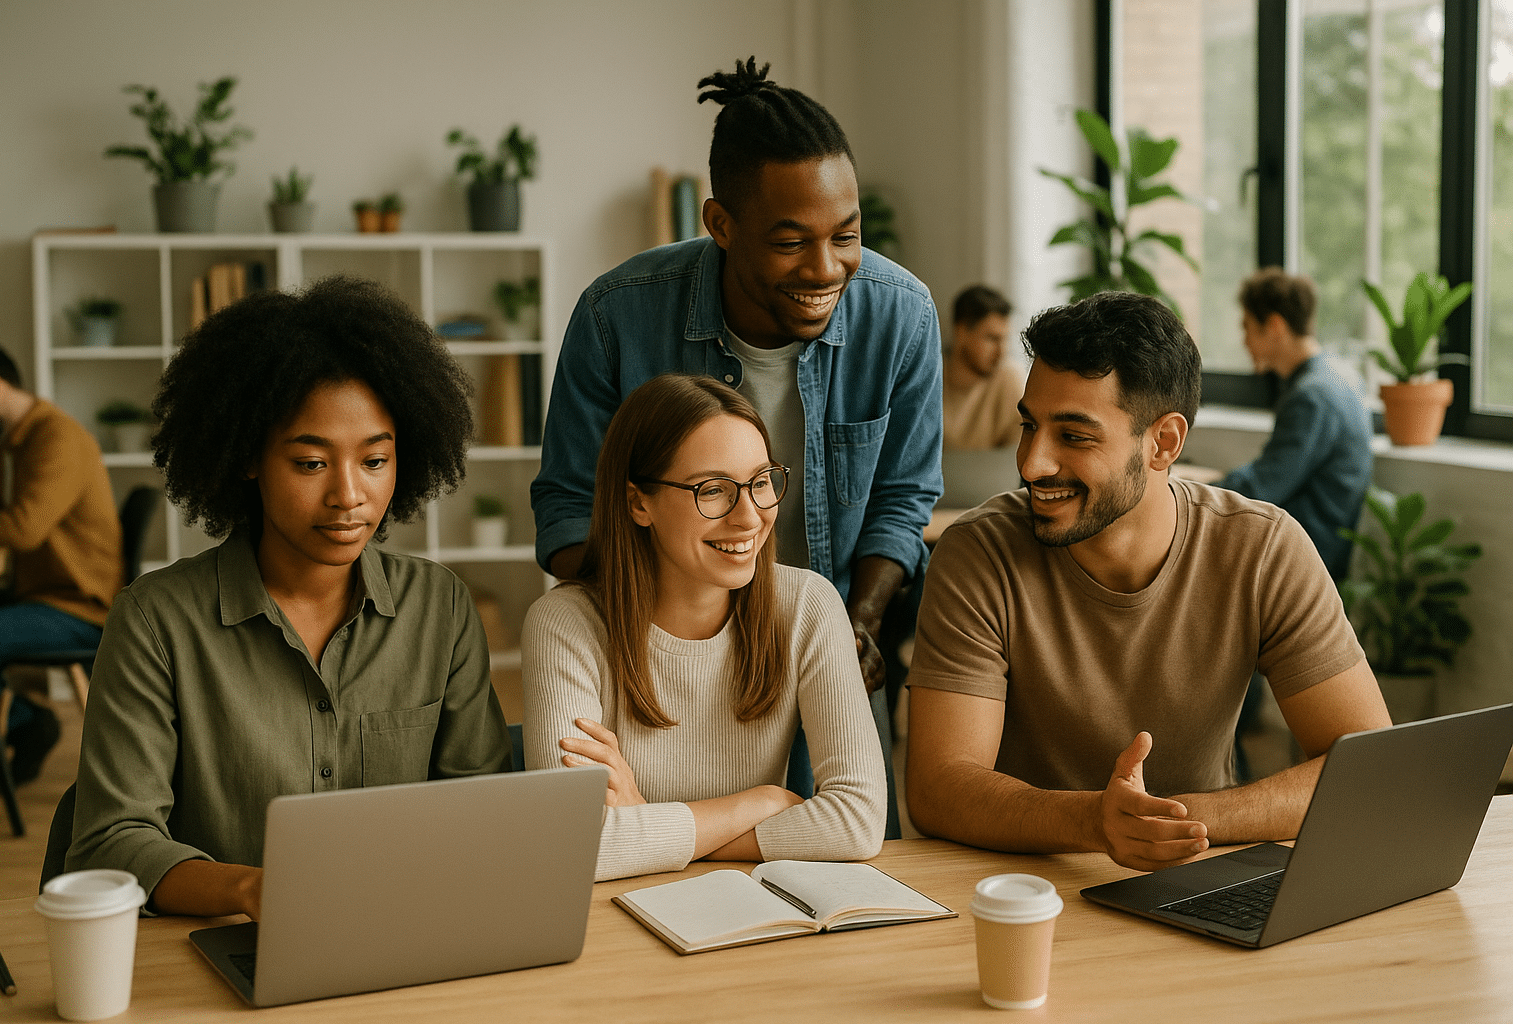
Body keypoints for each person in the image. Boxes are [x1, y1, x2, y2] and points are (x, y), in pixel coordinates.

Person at [530, 58, 942, 834]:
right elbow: (567, 505)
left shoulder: (902, 315)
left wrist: (857, 622)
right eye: (791, 243)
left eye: (846, 236)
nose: (826, 269)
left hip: (830, 644)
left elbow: (904, 496)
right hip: (652, 670)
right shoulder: (618, 315)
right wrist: (668, 629)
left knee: (841, 890)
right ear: (721, 225)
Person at [67, 277, 513, 919]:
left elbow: (484, 806)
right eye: (311, 463)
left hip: (408, 933)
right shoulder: (156, 623)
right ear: (248, 457)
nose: (348, 496)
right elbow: (110, 842)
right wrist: (252, 890)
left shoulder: (438, 607)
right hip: (221, 948)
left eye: (375, 461)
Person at [903, 291, 1391, 872]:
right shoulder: (977, 554)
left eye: (1074, 436)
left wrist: (1163, 821)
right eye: (1029, 426)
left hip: (1197, 875)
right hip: (1021, 888)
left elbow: (1367, 766)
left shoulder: (1263, 549)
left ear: (1163, 443)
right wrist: (1094, 822)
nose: (1033, 463)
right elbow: (938, 785)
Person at [523, 374, 885, 882]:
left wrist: (646, 821)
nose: (749, 518)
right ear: (638, 503)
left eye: (760, 483)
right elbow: (571, 842)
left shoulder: (809, 605)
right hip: (619, 930)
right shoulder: (566, 626)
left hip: (755, 917)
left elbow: (859, 822)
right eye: (712, 490)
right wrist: (760, 804)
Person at [0, 341, 121, 785]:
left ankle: (27, 723)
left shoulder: (56, 438)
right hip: (40, 594)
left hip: (76, 606)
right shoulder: (16, 442)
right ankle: (20, 721)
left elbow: (23, 527)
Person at [1218, 268, 1372, 583]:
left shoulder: (1312, 397)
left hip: (1302, 564)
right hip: (1324, 552)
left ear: (1274, 326)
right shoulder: (1341, 375)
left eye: (1246, 326)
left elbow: (1263, 487)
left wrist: (1190, 491)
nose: (1244, 340)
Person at [943, 285, 1025, 451]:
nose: (1001, 352)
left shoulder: (1009, 377)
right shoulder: (927, 375)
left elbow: (1015, 458)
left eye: (1004, 339)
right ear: (961, 332)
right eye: (992, 339)